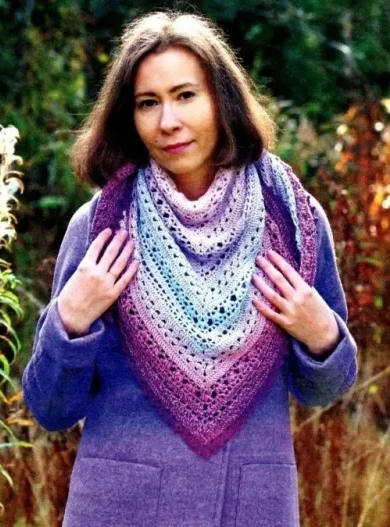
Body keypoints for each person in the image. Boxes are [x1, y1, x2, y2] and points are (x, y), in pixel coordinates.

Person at [22, 10, 358, 527]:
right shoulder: (100, 229)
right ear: (129, 117)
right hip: (120, 508)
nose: (168, 122)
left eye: (185, 95)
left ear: (222, 100)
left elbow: (325, 389)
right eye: (147, 103)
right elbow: (50, 409)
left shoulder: (294, 222)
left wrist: (320, 334)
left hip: (249, 507)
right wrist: (70, 318)